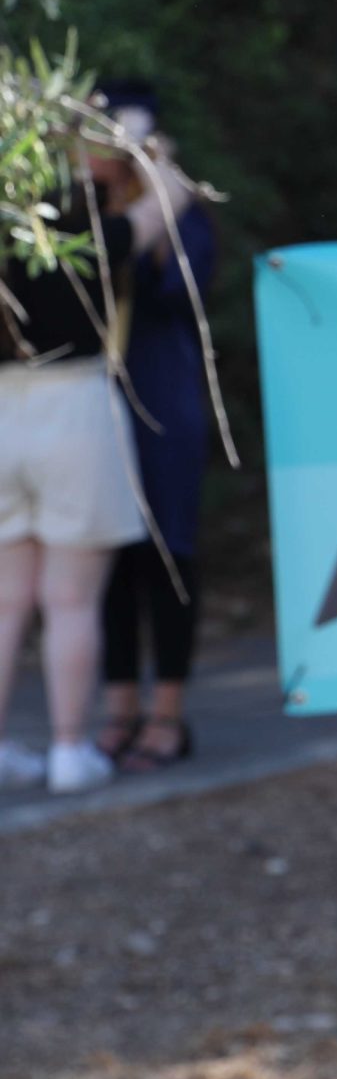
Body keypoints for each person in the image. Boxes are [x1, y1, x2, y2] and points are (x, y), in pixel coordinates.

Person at [0, 101, 172, 795]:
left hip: (3, 409)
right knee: (71, 600)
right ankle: (71, 747)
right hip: (74, 404)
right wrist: (149, 148)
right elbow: (169, 202)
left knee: (6, 601)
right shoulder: (88, 225)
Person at [92, 85, 218, 772]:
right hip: (92, 406)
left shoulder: (181, 211)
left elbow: (181, 290)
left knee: (169, 554)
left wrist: (156, 198)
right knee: (105, 557)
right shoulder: (76, 213)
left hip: (162, 402)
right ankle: (119, 708)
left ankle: (167, 712)